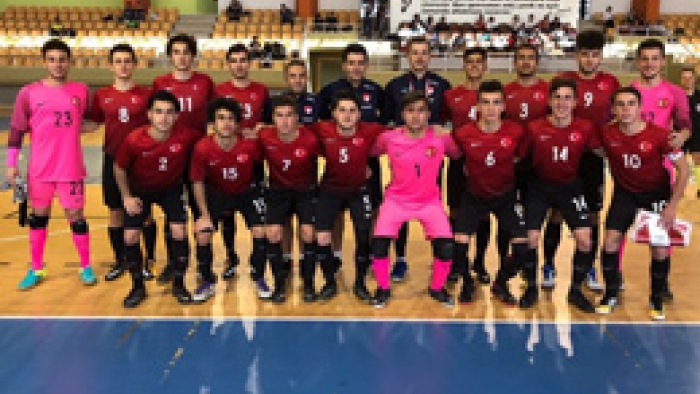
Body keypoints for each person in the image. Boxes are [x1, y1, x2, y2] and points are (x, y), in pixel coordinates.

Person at [6, 39, 96, 290]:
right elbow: (16, 130)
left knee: (76, 217)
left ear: (69, 62)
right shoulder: (28, 92)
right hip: (40, 169)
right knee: (38, 218)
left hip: (70, 167)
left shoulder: (81, 90)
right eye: (52, 59)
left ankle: (85, 266)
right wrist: (11, 164)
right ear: (44, 62)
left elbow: (85, 121)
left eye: (62, 59)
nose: (58, 64)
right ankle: (36, 268)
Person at [595, 87, 689, 321]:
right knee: (609, 242)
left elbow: (684, 170)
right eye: (620, 104)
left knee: (658, 249)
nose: (626, 109)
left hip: (655, 195)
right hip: (624, 194)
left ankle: (656, 298)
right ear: (614, 109)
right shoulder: (607, 134)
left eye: (630, 104)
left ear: (639, 108)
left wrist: (672, 206)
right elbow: (596, 150)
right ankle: (611, 292)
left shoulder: (658, 135)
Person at [370, 91, 460, 308]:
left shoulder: (440, 138)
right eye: (410, 111)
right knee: (379, 246)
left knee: (447, 248)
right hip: (396, 201)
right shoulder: (388, 138)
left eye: (421, 110)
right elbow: (371, 154)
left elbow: (456, 155)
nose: (416, 116)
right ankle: (382, 289)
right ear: (402, 114)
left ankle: (436, 288)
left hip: (429, 202)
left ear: (429, 114)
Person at [518, 79, 599, 312]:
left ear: (575, 102)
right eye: (557, 97)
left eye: (567, 97)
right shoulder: (534, 128)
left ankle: (575, 290)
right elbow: (519, 157)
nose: (561, 102)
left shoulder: (585, 127)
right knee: (531, 238)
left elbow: (602, 151)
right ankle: (531, 287)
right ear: (549, 101)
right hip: (538, 186)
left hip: (570, 186)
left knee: (585, 239)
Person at [113, 90, 200, 308]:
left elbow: (212, 141)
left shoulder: (187, 136)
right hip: (140, 190)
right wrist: (126, 197)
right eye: (159, 112)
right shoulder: (134, 139)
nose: (164, 118)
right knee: (131, 236)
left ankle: (179, 284)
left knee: (179, 231)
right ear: (149, 114)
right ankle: (137, 286)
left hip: (171, 188)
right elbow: (119, 168)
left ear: (177, 116)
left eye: (170, 113)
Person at [452, 80, 529, 305]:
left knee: (522, 249)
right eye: (485, 103)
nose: (491, 108)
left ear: (504, 106)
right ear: (477, 107)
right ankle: (467, 282)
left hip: (505, 196)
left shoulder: (515, 131)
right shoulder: (464, 133)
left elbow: (520, 158)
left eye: (496, 103)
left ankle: (501, 282)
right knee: (457, 246)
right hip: (473, 196)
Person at [555, 30, 620, 291]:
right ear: (576, 56)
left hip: (594, 157)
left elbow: (619, 117)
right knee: (557, 211)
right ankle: (548, 264)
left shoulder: (611, 82)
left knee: (593, 214)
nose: (590, 60)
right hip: (565, 154)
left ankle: (588, 268)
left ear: (601, 57)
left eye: (595, 55)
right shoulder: (564, 80)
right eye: (585, 54)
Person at [627, 38, 691, 300]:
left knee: (661, 229)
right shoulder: (628, 90)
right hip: (631, 168)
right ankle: (614, 275)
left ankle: (661, 284)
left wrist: (683, 136)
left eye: (655, 58)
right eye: (644, 58)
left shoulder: (674, 92)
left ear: (663, 62)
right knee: (620, 227)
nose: (649, 63)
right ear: (637, 62)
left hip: (663, 169)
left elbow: (686, 125)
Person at [383, 36, 451, 282]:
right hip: (403, 155)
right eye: (415, 53)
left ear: (430, 56)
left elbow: (446, 121)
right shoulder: (394, 86)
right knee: (399, 203)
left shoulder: (443, 85)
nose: (420, 57)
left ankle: (437, 256)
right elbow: (389, 121)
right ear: (408, 56)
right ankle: (400, 259)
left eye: (424, 52)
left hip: (431, 155)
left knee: (433, 205)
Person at [85, 44, 154, 282]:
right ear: (110, 65)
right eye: (118, 61)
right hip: (113, 159)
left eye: (127, 61)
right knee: (115, 212)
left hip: (141, 160)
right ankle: (120, 260)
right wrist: (61, 128)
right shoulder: (102, 95)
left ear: (134, 64)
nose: (123, 65)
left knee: (144, 213)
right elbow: (93, 123)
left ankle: (147, 261)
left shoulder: (146, 95)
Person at [189, 98, 268, 303]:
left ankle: (258, 275)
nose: (226, 123)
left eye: (231, 119)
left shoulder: (249, 145)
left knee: (261, 231)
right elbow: (197, 182)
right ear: (213, 123)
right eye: (221, 118)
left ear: (238, 123)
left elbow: (266, 164)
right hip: (216, 193)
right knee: (203, 233)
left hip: (246, 192)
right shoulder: (202, 147)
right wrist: (204, 215)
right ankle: (207, 280)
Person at [311, 90, 385, 302]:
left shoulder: (370, 131)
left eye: (352, 111)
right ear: (333, 113)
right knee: (322, 237)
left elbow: (400, 133)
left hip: (358, 190)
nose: (347, 115)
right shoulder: (321, 129)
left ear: (359, 114)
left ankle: (360, 283)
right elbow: (295, 131)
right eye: (342, 110)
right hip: (330, 190)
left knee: (363, 236)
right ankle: (329, 282)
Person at [319, 43, 386, 275]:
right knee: (337, 212)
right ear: (344, 65)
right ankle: (336, 255)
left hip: (369, 163)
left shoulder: (376, 90)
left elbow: (384, 125)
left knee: (372, 209)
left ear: (366, 65)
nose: (356, 68)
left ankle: (365, 253)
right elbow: (321, 126)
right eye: (351, 63)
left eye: (360, 63)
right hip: (339, 161)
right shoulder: (329, 91)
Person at [153, 34, 214, 284]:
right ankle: (174, 262)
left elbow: (214, 115)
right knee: (173, 213)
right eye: (176, 52)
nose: (181, 56)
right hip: (171, 155)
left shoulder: (205, 82)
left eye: (186, 52)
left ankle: (203, 265)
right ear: (170, 56)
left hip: (198, 154)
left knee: (201, 210)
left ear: (193, 56)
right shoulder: (160, 82)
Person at [214, 43, 270, 279]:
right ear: (228, 64)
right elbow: (213, 123)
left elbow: (268, 122)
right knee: (227, 212)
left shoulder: (261, 90)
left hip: (253, 158)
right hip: (227, 157)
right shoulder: (219, 91)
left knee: (256, 213)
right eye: (234, 60)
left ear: (249, 63)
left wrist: (261, 127)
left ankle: (257, 266)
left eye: (243, 60)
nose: (239, 64)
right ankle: (231, 255)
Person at [258, 95, 320, 303]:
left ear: (297, 118)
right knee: (274, 233)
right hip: (278, 191)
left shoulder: (310, 139)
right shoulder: (265, 136)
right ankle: (279, 282)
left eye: (289, 116)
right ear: (273, 118)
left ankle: (309, 281)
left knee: (308, 232)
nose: (284, 121)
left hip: (306, 191)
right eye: (279, 116)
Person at [442, 48, 496, 285]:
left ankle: (480, 262)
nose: (474, 65)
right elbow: (443, 126)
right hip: (458, 161)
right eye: (470, 61)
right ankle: (456, 263)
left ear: (485, 66)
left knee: (483, 213)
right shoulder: (451, 95)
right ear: (463, 66)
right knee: (455, 212)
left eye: (479, 61)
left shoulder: (493, 96)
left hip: (485, 162)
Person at [503, 44, 553, 287]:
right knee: (507, 216)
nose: (525, 62)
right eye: (521, 58)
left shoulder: (548, 90)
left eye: (530, 58)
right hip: (511, 163)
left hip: (540, 164)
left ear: (537, 62)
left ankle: (546, 265)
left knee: (540, 219)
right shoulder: (506, 91)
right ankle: (506, 266)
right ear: (514, 62)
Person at [680, 66, 700, 198]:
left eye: (690, 77)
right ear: (681, 80)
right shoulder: (676, 96)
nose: (688, 80)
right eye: (685, 78)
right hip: (681, 134)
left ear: (695, 79)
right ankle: (677, 189)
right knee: (676, 162)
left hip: (698, 134)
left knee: (698, 161)